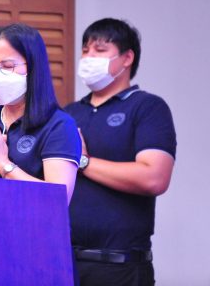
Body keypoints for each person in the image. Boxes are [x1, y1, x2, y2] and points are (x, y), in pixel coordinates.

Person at [64, 18, 177, 286]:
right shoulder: (68, 113)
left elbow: (154, 178)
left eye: (100, 50)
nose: (89, 58)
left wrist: (84, 162)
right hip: (64, 261)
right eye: (85, 50)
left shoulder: (147, 107)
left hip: (120, 267)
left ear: (127, 58)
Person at [0, 23, 81, 205]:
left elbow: (58, 200)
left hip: (32, 224)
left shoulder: (59, 126)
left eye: (7, 66)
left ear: (33, 68)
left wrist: (2, 163)